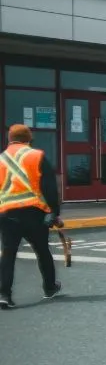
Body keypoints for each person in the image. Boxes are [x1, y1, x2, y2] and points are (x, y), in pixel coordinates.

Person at [1, 124, 62, 310]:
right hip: (33, 213)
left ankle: (4, 294)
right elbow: (49, 188)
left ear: (9, 139)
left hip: (6, 213)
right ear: (29, 139)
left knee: (8, 254)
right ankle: (50, 288)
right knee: (42, 250)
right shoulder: (36, 156)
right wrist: (54, 213)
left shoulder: (1, 159)